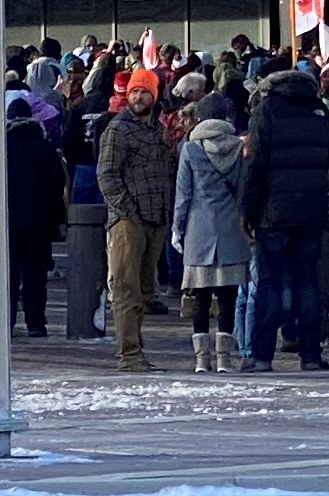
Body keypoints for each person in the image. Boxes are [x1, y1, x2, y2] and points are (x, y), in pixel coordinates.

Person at [242, 64, 329, 370]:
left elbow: (255, 164)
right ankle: (311, 355)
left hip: (274, 209)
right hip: (311, 209)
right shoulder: (318, 110)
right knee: (308, 282)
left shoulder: (267, 109)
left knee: (270, 283)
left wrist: (247, 209)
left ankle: (261, 356)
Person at [96, 71, 177, 372]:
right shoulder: (118, 129)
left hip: (155, 217)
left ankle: (137, 350)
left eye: (144, 92)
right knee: (126, 288)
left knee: (144, 288)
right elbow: (106, 175)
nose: (139, 97)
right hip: (129, 219)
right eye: (134, 92)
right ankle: (129, 354)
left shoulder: (158, 130)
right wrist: (126, 210)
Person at [172, 98, 254, 371]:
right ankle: (224, 359)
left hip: (199, 227)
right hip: (231, 228)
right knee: (228, 296)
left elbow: (184, 193)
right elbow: (244, 190)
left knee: (201, 297)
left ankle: (201, 360)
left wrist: (177, 227)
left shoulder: (190, 147)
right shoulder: (238, 146)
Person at [3, 89, 68, 337]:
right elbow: (56, 184)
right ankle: (36, 323)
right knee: (36, 274)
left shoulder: (1, 149)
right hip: (39, 222)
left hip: (8, 221)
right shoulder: (45, 148)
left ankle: (6, 322)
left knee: (7, 274)